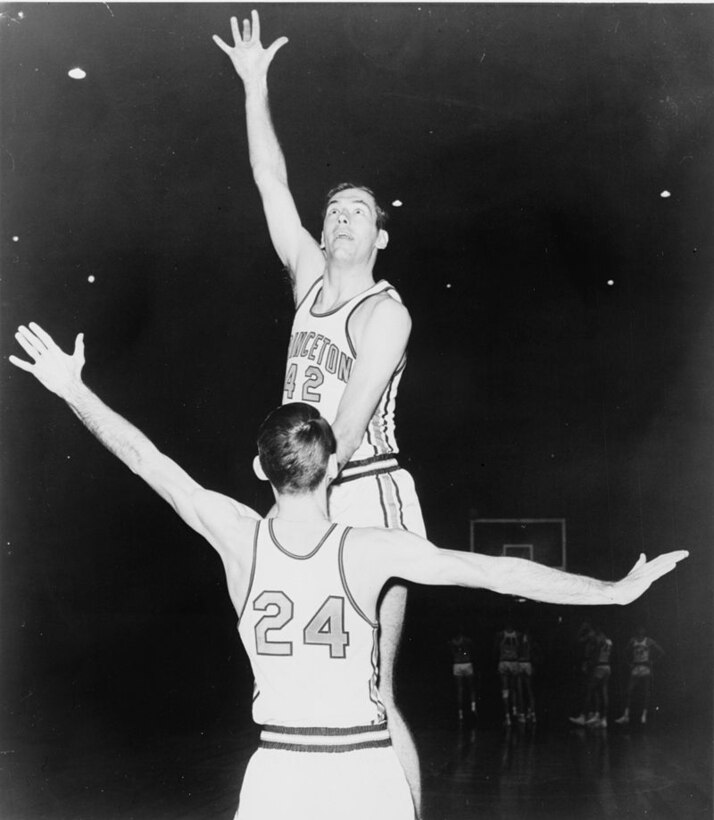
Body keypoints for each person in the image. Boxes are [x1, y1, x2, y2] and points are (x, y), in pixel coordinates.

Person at [9, 321, 688, 819]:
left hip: (278, 773)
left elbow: (143, 458)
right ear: (335, 467)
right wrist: (615, 591)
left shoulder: (238, 535)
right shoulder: (371, 549)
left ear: (259, 470)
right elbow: (500, 573)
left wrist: (71, 388)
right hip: (365, 772)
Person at [213, 10, 426, 809]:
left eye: (358, 212)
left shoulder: (385, 314)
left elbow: (344, 417)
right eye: (334, 209)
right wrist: (255, 83)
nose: (340, 218)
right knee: (303, 686)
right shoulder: (306, 277)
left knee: (371, 688)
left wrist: (280, 464)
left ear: (380, 238)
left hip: (363, 484)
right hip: (308, 479)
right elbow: (272, 181)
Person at [615, 627, 664, 725]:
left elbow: (661, 651)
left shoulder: (648, 641)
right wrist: (629, 663)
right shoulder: (633, 640)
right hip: (636, 667)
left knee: (646, 692)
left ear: (644, 631)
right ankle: (626, 715)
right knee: (629, 691)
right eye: (639, 629)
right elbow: (625, 652)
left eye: (642, 629)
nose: (641, 631)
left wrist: (653, 662)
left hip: (645, 667)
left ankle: (644, 715)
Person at [495, 622, 522, 726]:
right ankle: (514, 711)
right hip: (514, 662)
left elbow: (496, 648)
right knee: (514, 689)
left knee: (505, 690)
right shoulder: (518, 635)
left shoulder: (500, 634)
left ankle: (507, 716)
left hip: (504, 662)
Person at [448, 629, 477, 720]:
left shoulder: (451, 642)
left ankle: (460, 713)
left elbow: (452, 653)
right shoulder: (467, 640)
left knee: (460, 689)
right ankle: (473, 708)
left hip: (457, 664)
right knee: (471, 688)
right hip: (466, 663)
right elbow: (472, 650)